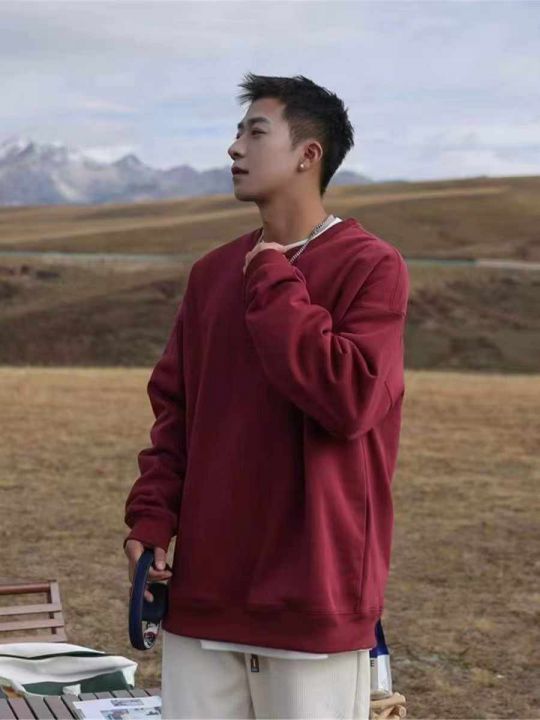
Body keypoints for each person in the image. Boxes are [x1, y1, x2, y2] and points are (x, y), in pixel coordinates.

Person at [124, 72, 409, 720]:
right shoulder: (211, 274)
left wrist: (274, 278)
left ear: (309, 154)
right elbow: (176, 416)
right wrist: (152, 518)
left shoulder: (371, 265)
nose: (234, 148)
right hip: (203, 600)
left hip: (312, 599)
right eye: (237, 132)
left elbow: (349, 400)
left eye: (255, 132)